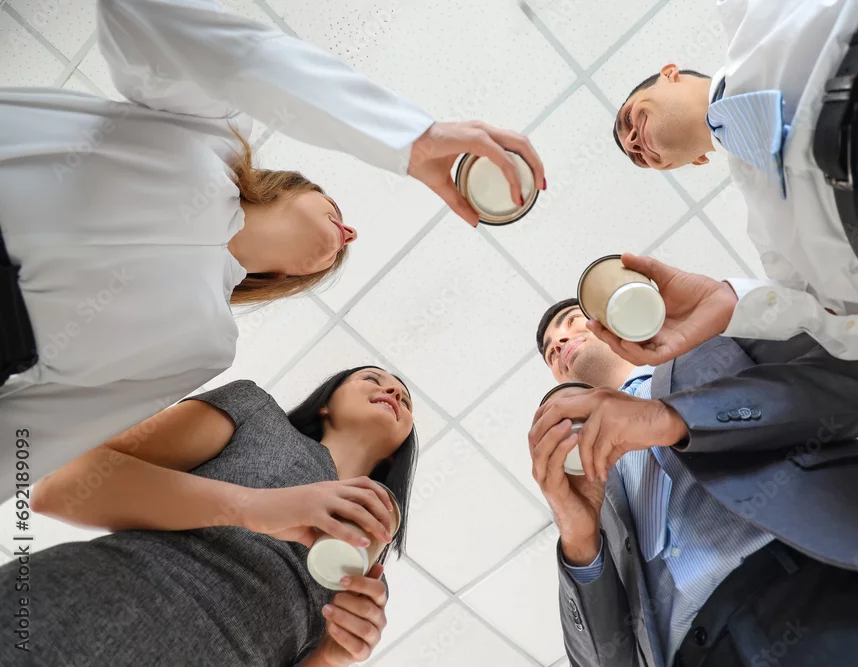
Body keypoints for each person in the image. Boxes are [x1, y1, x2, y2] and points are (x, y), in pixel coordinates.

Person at [0, 0, 544, 486]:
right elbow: (141, 15)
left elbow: (42, 430)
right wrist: (408, 139)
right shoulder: (207, 130)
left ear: (289, 278)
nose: (350, 234)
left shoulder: (207, 342)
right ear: (289, 186)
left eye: (338, 256)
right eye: (336, 208)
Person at [529, 294, 858, 666]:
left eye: (570, 321)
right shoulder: (589, 486)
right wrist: (579, 539)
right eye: (551, 350)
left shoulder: (713, 342)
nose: (560, 341)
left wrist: (674, 419)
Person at [609, 0, 858, 382]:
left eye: (628, 119)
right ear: (693, 162)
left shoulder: (749, 12)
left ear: (670, 73)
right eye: (638, 158)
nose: (633, 142)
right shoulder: (772, 248)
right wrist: (732, 304)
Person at [0, 365, 418, 666]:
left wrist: (329, 657)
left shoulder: (367, 580)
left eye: (405, 398)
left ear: (396, 452)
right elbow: (63, 487)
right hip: (74, 618)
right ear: (326, 404)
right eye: (372, 378)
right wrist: (252, 506)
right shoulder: (257, 413)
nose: (393, 391)